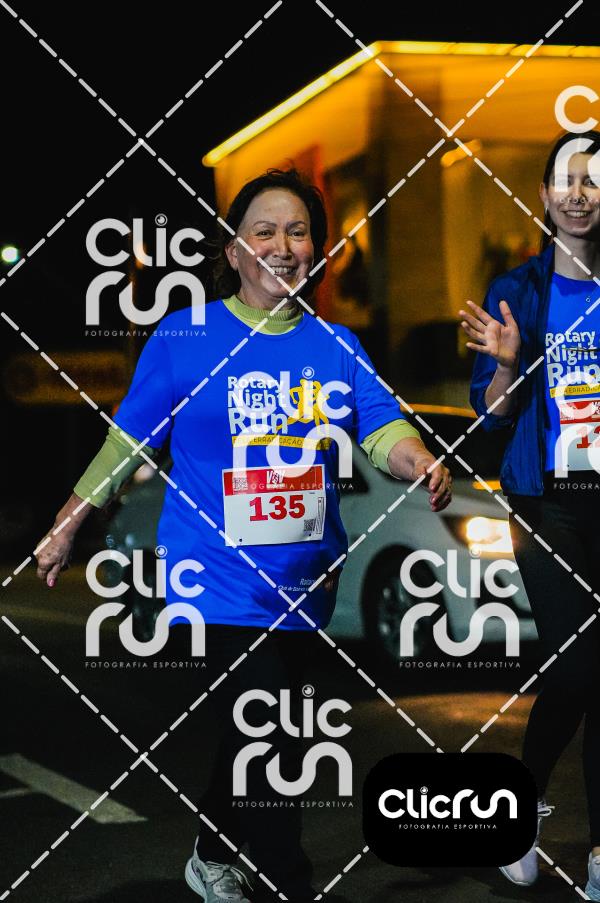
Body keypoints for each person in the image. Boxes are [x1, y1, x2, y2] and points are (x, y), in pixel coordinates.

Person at [35, 168, 452, 903]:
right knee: (274, 726)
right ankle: (290, 883)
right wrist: (68, 524)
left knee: (261, 732)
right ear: (234, 251)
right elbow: (127, 442)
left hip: (303, 582)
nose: (282, 245)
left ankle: (210, 850)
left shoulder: (335, 345)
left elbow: (383, 426)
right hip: (213, 577)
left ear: (316, 250)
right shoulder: (186, 335)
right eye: (264, 231)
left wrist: (417, 459)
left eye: (298, 232)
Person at [462, 131, 600, 899]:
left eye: (594, 180)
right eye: (567, 180)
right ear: (544, 195)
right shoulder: (517, 289)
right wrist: (510, 364)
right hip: (547, 503)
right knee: (580, 663)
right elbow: (494, 413)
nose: (580, 193)